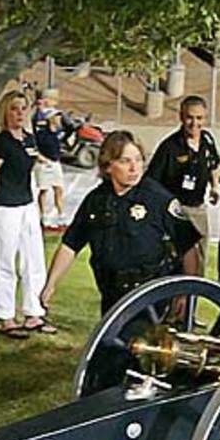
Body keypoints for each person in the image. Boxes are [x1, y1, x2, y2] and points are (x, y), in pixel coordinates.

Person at [41, 131, 201, 316]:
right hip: (111, 294)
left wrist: (185, 293)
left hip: (149, 295)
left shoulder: (158, 198)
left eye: (138, 160)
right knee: (110, 344)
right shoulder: (96, 201)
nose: (134, 168)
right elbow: (70, 245)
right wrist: (51, 284)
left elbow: (188, 245)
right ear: (108, 165)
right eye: (125, 161)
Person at [0, 90, 54, 338]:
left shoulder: (29, 140)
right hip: (7, 208)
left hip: (27, 205)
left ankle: (34, 313)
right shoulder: (2, 142)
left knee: (33, 260)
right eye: (14, 108)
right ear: (6, 112)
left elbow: (33, 167)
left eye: (23, 108)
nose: (20, 113)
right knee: (5, 261)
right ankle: (6, 316)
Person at [145, 95, 220, 274]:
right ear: (181, 117)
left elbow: (213, 165)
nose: (194, 123)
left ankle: (192, 298)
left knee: (199, 262)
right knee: (177, 262)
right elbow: (151, 183)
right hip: (176, 211)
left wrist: (215, 186)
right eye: (190, 117)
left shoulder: (207, 140)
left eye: (199, 118)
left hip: (198, 208)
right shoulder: (169, 147)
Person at [32, 90, 66, 230]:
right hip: (43, 160)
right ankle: (43, 216)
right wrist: (39, 157)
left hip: (54, 159)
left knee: (58, 188)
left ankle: (61, 215)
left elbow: (61, 125)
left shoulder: (54, 120)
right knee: (44, 189)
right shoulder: (38, 118)